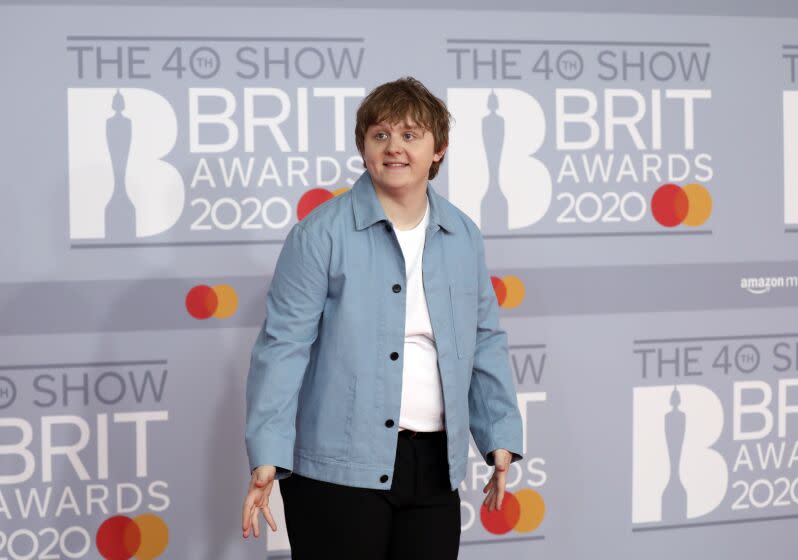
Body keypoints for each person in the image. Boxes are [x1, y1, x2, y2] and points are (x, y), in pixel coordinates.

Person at [241, 77, 523, 559]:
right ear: (364, 146)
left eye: (411, 135)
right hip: (335, 472)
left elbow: (483, 339)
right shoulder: (319, 235)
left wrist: (498, 434)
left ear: (439, 150)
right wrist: (267, 454)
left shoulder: (463, 235)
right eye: (381, 135)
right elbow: (283, 348)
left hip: (433, 467)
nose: (394, 148)